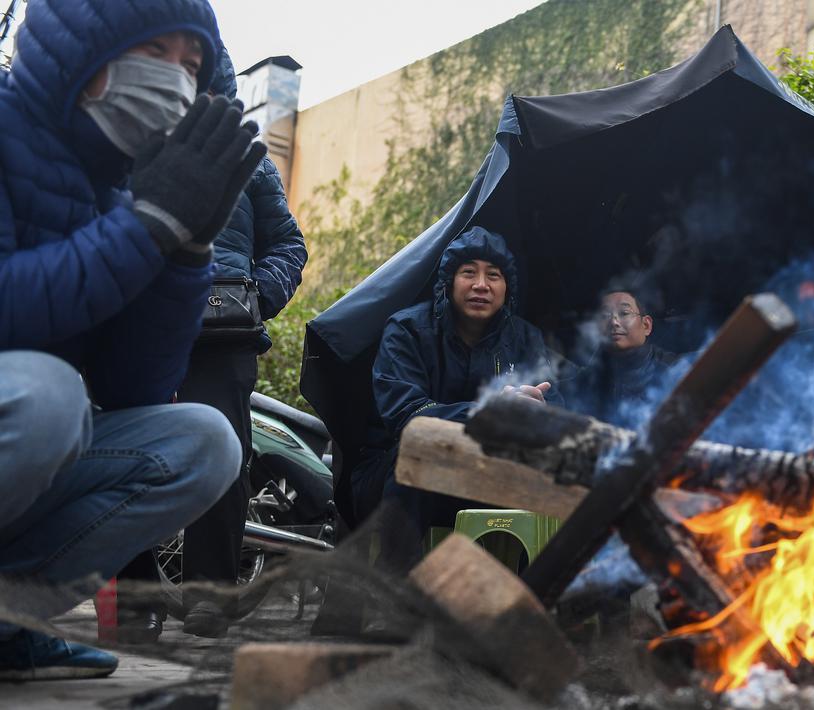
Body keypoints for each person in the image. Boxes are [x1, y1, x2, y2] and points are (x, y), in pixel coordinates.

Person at [0, 0, 264, 679]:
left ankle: (8, 618)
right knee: (50, 398)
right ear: (83, 58)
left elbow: (132, 390)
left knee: (203, 441)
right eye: (156, 53)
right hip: (26, 409)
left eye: (192, 65)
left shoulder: (120, 189)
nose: (177, 79)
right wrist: (146, 228)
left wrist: (187, 249)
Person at [116, 47, 309, 642]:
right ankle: (135, 601)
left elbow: (289, 247)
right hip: (144, 329)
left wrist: (255, 297)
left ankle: (210, 596)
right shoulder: (128, 154)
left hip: (224, 336)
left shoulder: (251, 163)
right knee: (129, 454)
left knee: (224, 452)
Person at [348, 227, 561, 558]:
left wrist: (540, 410)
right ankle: (393, 602)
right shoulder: (407, 331)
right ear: (448, 282)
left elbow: (555, 411)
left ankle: (533, 600)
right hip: (399, 476)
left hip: (487, 475)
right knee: (422, 451)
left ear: (507, 288)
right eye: (468, 273)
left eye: (493, 275)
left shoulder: (524, 339)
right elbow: (409, 417)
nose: (481, 284)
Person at [571, 289, 680, 428]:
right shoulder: (589, 378)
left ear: (646, 325)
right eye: (605, 315)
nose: (614, 322)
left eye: (624, 313)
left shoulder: (674, 370)